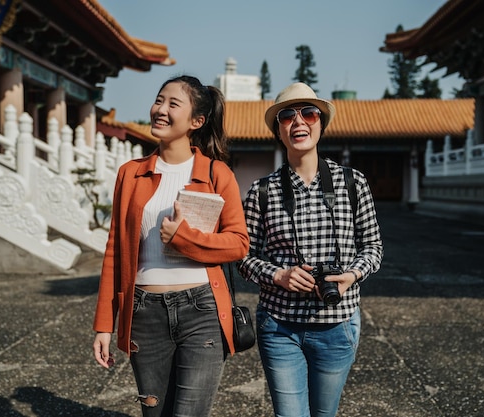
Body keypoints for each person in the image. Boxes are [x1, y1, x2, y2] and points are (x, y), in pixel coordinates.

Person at [92, 75, 250, 417]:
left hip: (202, 311)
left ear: (196, 121)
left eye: (172, 104)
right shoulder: (130, 174)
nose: (160, 110)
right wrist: (105, 324)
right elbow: (115, 252)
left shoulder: (216, 174)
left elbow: (238, 244)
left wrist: (183, 238)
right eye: (158, 100)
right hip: (143, 312)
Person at [238, 82, 383, 417]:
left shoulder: (352, 183)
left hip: (338, 322)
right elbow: (243, 256)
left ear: (321, 123)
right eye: (287, 116)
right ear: (278, 129)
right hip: (280, 325)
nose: (298, 121)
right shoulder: (262, 191)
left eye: (309, 113)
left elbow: (373, 247)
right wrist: (279, 275)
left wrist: (351, 275)